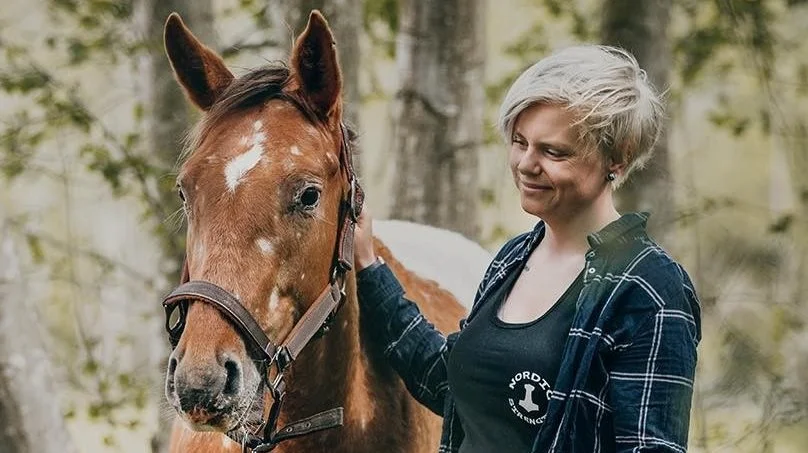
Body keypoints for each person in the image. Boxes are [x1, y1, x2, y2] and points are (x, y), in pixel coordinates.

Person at [353, 45, 701, 453]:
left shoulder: (650, 290)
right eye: (520, 142)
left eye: (553, 151)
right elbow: (449, 384)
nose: (525, 164)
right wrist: (369, 265)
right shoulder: (513, 259)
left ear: (618, 159)